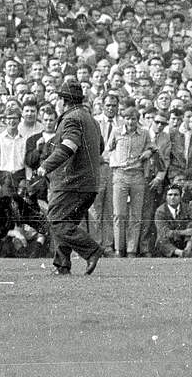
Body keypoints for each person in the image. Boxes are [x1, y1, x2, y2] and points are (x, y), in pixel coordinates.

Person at [33, 80, 104, 275]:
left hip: (71, 182)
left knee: (56, 221)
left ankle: (92, 251)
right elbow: (101, 148)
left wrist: (46, 166)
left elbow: (70, 146)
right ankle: (62, 266)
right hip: (90, 184)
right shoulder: (92, 120)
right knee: (66, 223)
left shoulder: (72, 118)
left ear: (63, 100)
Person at [105, 106, 153, 258]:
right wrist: (115, 160)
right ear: (123, 119)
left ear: (137, 119)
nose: (130, 122)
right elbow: (108, 149)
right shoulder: (117, 131)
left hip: (137, 175)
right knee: (119, 213)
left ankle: (132, 250)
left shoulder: (144, 133)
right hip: (120, 175)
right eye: (127, 118)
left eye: (133, 119)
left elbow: (152, 147)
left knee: (135, 215)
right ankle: (119, 249)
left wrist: (148, 152)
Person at [154, 185, 192, 258]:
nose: (172, 197)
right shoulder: (160, 211)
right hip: (170, 244)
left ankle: (187, 250)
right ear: (166, 196)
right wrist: (184, 232)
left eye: (176, 195)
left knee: (191, 225)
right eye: (170, 195)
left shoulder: (186, 207)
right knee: (160, 239)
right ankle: (181, 253)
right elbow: (164, 232)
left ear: (180, 196)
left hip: (184, 242)